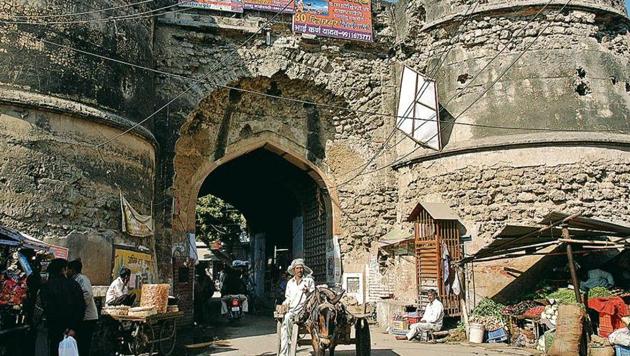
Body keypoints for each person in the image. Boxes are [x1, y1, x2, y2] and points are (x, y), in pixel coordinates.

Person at [40, 258, 86, 356]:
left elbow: (46, 309)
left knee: (54, 351)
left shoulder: (46, 286)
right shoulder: (74, 285)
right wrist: (73, 328)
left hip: (53, 329)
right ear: (63, 269)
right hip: (70, 329)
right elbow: (81, 307)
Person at [280, 259, 315, 356]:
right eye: (297, 268)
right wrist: (284, 305)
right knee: (285, 323)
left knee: (287, 320)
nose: (300, 270)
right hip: (292, 310)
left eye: (301, 268)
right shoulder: (290, 283)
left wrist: (308, 291)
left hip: (305, 310)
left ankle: (291, 339)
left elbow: (313, 297)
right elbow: (288, 298)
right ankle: (284, 352)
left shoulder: (309, 281)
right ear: (294, 270)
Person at [67, 259, 98, 356]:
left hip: (87, 318)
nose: (66, 271)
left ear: (72, 270)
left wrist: (78, 306)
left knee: (83, 345)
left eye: (68, 269)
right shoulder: (74, 280)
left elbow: (87, 294)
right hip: (82, 317)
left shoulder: (82, 279)